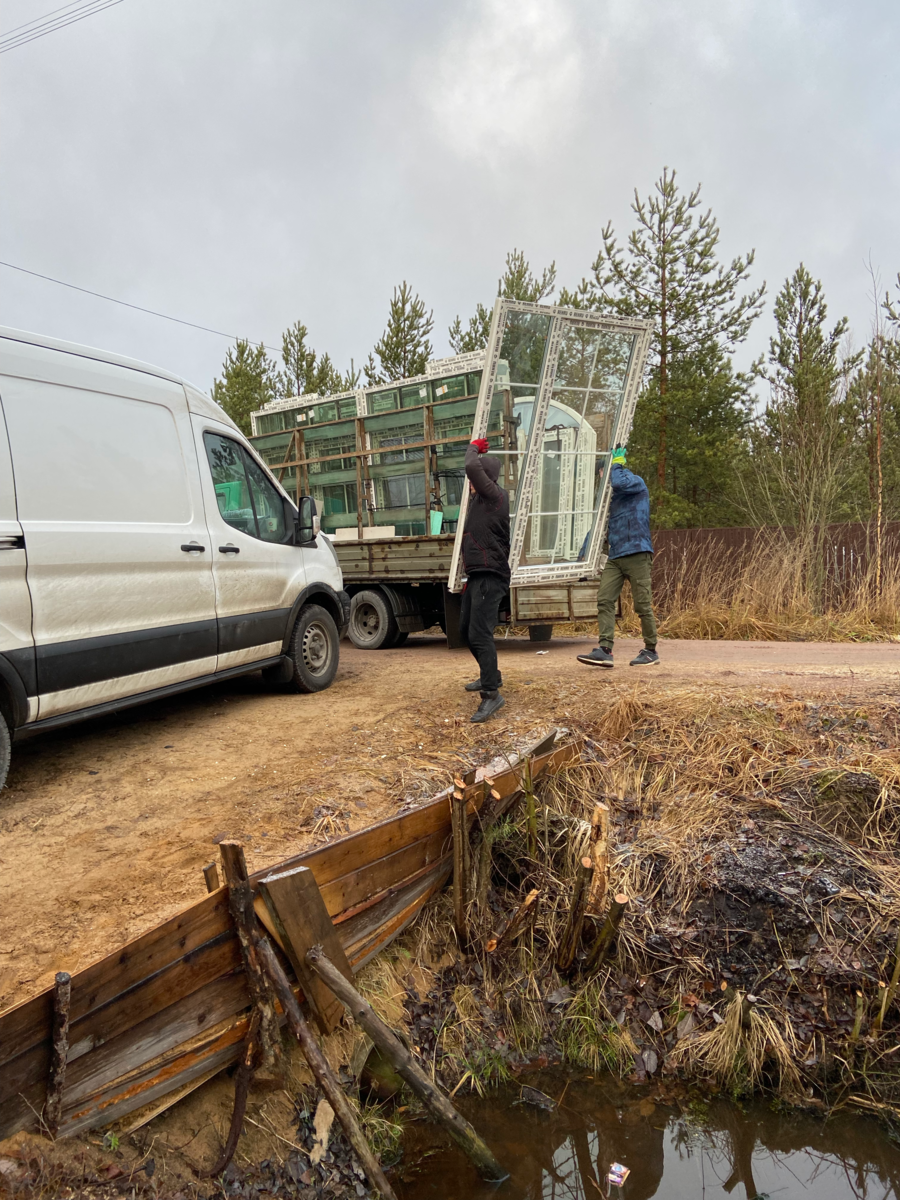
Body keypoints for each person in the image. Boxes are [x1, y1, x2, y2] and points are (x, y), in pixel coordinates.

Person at [577, 445, 659, 668]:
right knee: (604, 600)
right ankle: (605, 650)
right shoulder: (610, 502)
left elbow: (619, 482)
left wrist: (617, 463)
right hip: (616, 556)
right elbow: (598, 529)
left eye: (603, 473)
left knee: (642, 605)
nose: (602, 478)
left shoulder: (636, 484)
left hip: (638, 553)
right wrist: (582, 557)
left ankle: (651, 650)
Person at [459, 437, 510, 722]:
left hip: (491, 576)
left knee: (480, 634)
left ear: (486, 477)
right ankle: (490, 675)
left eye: (476, 477)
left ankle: (492, 694)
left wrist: (473, 448)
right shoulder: (480, 499)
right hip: (478, 575)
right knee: (466, 630)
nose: (470, 481)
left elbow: (470, 464)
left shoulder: (495, 497)